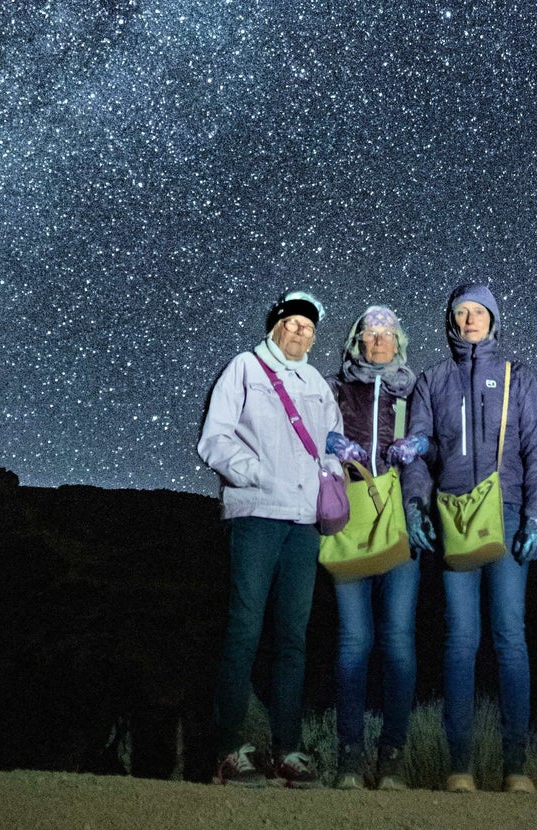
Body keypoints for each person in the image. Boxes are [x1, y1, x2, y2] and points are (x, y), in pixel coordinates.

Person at [402, 282, 537, 793]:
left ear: (493, 319)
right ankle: (459, 766)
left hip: (507, 513)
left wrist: (535, 518)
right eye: (461, 312)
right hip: (452, 517)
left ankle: (516, 767)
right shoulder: (432, 380)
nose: (470, 320)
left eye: (479, 312)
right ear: (451, 320)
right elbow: (418, 452)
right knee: (460, 639)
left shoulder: (518, 377)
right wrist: (415, 505)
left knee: (510, 637)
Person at [197, 289, 344, 788]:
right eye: (294, 322)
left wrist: (330, 477)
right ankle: (226, 749)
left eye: (309, 326)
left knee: (292, 639)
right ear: (275, 325)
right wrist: (255, 475)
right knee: (244, 628)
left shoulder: (318, 385)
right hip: (257, 514)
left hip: (303, 525)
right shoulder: (244, 368)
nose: (302, 331)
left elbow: (331, 442)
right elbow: (214, 438)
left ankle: (288, 751)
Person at [325, 305, 431, 789]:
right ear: (358, 340)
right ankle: (348, 757)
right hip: (350, 523)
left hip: (399, 528)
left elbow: (430, 451)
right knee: (352, 645)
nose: (379, 339)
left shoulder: (412, 391)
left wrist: (419, 454)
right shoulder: (335, 388)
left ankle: (393, 756)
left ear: (399, 340)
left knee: (399, 645)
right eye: (371, 332)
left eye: (387, 332)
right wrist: (332, 444)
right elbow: (311, 437)